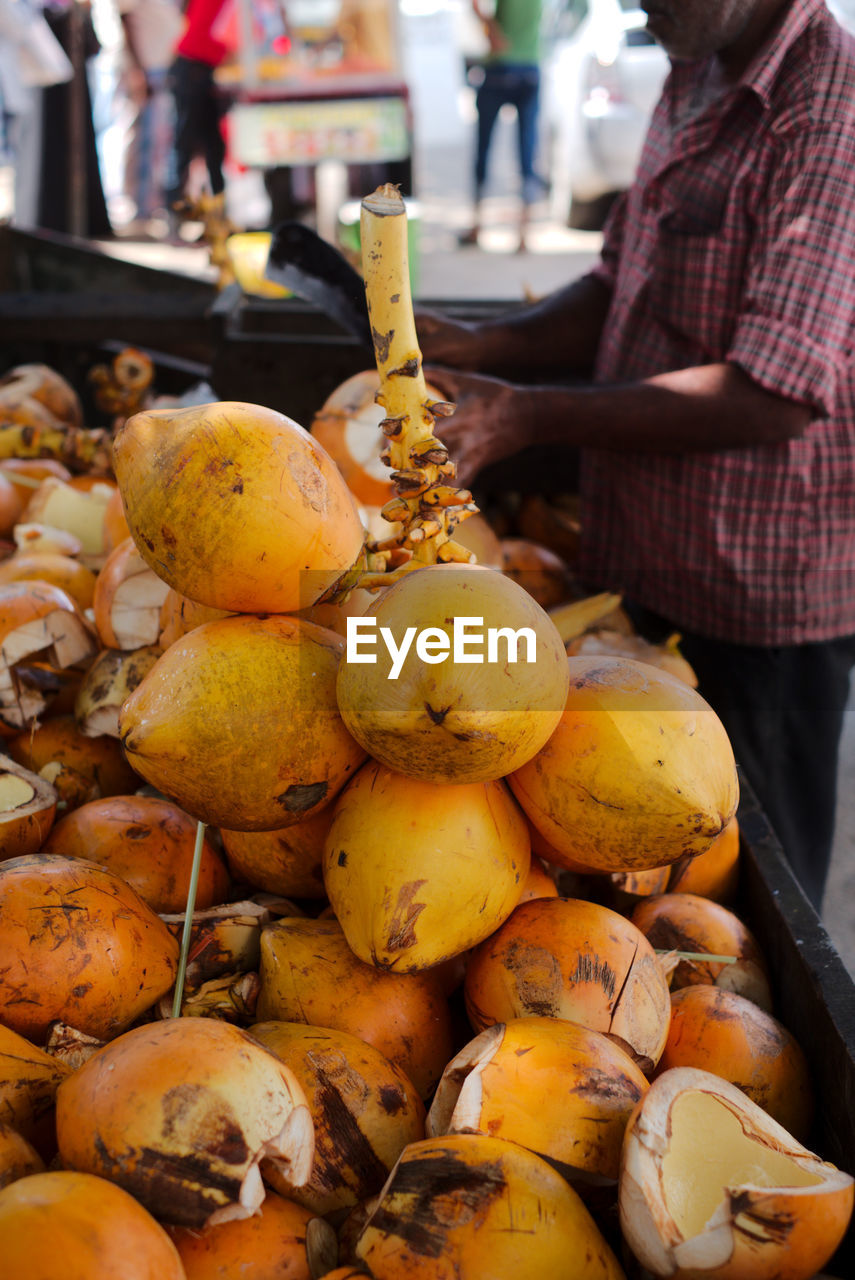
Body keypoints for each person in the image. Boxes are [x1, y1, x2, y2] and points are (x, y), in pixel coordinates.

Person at [418, 0, 855, 914]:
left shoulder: (828, 108)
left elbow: (772, 391)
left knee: (745, 901)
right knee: (619, 859)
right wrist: (485, 347)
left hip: (758, 598)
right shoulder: (695, 64)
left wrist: (530, 417)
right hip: (642, 557)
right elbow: (622, 284)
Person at [459, 0, 547, 251]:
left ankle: (477, 225)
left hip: (500, 65)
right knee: (527, 150)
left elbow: (474, 5)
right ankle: (523, 234)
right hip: (530, 65)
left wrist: (493, 33)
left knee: (484, 146)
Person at [114, 0, 182, 232]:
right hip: (147, 68)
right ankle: (139, 208)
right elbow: (124, 21)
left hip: (162, 65)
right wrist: (137, 70)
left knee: (159, 141)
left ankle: (150, 204)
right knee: (144, 139)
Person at [164, 0, 230, 232]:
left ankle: (217, 216)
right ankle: (174, 217)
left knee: (213, 146)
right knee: (185, 143)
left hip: (203, 66)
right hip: (193, 65)